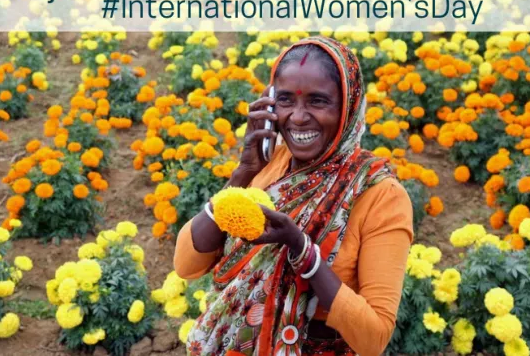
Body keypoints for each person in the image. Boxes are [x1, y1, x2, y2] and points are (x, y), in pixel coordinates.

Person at [173, 36, 413, 356]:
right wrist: (242, 173)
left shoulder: (380, 195)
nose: (298, 117)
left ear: (348, 107)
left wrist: (301, 249)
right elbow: (187, 266)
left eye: (317, 101)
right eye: (285, 100)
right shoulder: (270, 164)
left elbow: (374, 338)